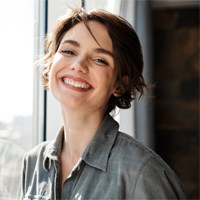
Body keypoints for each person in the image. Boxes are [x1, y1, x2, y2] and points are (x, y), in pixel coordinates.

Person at [21, 8, 186, 199]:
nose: (78, 65)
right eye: (68, 51)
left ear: (120, 84)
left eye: (100, 60)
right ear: (50, 66)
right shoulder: (33, 162)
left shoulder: (143, 172)